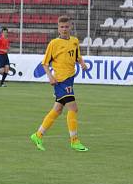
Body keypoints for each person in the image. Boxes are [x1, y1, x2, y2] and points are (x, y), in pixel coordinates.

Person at [29, 16, 90, 152]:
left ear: (70, 27)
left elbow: (77, 56)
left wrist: (82, 63)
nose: (64, 29)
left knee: (57, 110)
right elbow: (45, 63)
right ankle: (74, 140)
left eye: (66, 27)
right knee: (73, 108)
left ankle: (38, 135)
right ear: (58, 28)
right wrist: (50, 77)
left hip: (69, 79)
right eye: (62, 27)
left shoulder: (74, 41)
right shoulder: (54, 43)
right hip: (60, 81)